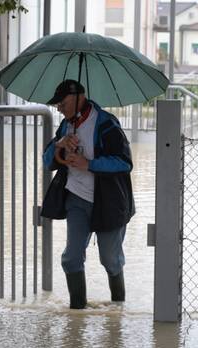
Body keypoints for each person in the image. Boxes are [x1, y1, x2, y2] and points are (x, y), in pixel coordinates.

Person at [41, 79, 135, 309]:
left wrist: (88, 163)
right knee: (71, 258)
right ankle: (77, 313)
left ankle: (118, 310)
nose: (59, 109)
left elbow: (124, 163)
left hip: (109, 202)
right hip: (76, 198)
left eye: (62, 103)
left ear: (78, 97)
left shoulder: (106, 123)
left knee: (110, 259)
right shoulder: (65, 125)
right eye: (57, 106)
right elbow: (47, 162)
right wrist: (60, 145)